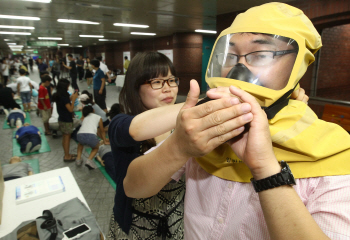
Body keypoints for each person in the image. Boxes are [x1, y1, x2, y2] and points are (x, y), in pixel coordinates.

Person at [122, 3, 350, 239]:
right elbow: (133, 187)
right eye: (230, 55)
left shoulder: (332, 152)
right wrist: (178, 146)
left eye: (260, 55)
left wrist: (265, 169)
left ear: (299, 65)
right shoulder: (205, 125)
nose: (238, 68)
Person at [107, 52, 184, 240]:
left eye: (171, 80)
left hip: (177, 222)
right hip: (136, 226)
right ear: (136, 87)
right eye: (156, 82)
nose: (168, 89)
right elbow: (136, 130)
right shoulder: (120, 122)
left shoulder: (180, 125)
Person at [52, 78, 79, 162]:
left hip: (61, 118)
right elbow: (70, 109)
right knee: (67, 138)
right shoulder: (63, 96)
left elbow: (65, 103)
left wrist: (71, 97)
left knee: (65, 137)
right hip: (66, 120)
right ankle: (67, 156)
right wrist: (74, 99)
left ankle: (67, 153)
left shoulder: (60, 94)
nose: (68, 87)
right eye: (68, 86)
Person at [75, 105, 109, 169]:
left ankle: (78, 159)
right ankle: (89, 160)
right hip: (91, 136)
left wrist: (102, 138)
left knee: (80, 144)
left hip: (79, 135)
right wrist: (104, 140)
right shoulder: (98, 117)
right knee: (96, 148)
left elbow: (95, 131)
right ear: (93, 110)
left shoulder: (85, 118)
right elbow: (102, 131)